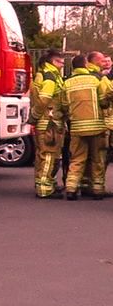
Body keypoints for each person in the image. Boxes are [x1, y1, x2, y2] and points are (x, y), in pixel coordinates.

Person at [59, 54, 112, 200]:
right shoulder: (96, 79)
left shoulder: (67, 83)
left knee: (77, 159)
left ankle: (71, 189)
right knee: (97, 159)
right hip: (97, 127)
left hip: (77, 128)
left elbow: (64, 105)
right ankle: (97, 190)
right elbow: (103, 100)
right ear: (86, 65)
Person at [32, 49, 67, 198]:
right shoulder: (50, 78)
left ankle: (45, 183)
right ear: (53, 62)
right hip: (50, 123)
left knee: (43, 155)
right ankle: (45, 188)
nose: (62, 65)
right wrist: (35, 115)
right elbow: (44, 99)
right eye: (61, 62)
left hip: (46, 122)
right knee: (48, 155)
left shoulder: (43, 74)